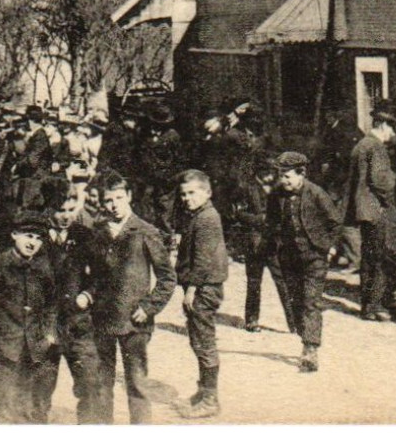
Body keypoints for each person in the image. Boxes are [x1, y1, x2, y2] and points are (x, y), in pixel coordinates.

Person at [85, 170, 175, 424]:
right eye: (108, 201)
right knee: (101, 384)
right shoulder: (98, 232)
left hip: (135, 322)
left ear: (129, 197)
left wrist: (149, 307)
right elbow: (94, 276)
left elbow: (167, 278)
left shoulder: (145, 231)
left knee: (137, 383)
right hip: (102, 320)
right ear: (101, 203)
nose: (113, 205)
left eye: (118, 198)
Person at [0, 211, 58, 424]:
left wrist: (49, 333)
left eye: (39, 239)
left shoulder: (43, 268)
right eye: (28, 236)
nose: (33, 243)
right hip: (4, 348)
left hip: (34, 348)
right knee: (2, 408)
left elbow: (51, 304)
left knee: (30, 409)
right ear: (14, 234)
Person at [264, 151, 341, 372]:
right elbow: (271, 220)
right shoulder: (276, 194)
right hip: (288, 256)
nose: (284, 181)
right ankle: (304, 335)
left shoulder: (317, 194)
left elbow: (335, 223)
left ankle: (310, 349)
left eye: (288, 177)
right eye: (281, 176)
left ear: (302, 174)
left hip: (315, 256)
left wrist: (330, 247)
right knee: (295, 300)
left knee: (311, 301)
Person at [40, 181, 107, 424]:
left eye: (71, 209)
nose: (67, 216)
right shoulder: (34, 237)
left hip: (77, 324)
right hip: (44, 326)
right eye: (61, 210)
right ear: (48, 209)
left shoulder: (85, 236)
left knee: (91, 384)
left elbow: (101, 275)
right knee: (38, 391)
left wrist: (88, 294)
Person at [175, 169, 229, 418]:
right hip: (199, 286)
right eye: (183, 194)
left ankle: (210, 399)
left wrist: (192, 290)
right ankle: (203, 390)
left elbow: (204, 259)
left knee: (204, 340)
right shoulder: (198, 215)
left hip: (204, 288)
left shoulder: (207, 218)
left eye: (192, 193)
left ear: (207, 192)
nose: (187, 198)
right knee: (197, 338)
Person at [345, 110, 396, 320]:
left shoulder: (361, 144)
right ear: (383, 126)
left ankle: (367, 306)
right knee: (379, 258)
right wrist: (395, 182)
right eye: (391, 128)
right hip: (376, 210)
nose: (392, 133)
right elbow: (380, 181)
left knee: (368, 258)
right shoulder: (376, 147)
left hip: (364, 210)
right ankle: (375, 306)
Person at [239, 160, 284, 333]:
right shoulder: (247, 188)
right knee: (254, 282)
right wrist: (260, 219)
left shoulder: (278, 188)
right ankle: (251, 320)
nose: (271, 177)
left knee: (282, 280)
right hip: (254, 242)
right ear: (259, 172)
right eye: (268, 173)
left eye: (273, 173)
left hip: (274, 242)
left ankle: (294, 322)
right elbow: (239, 213)